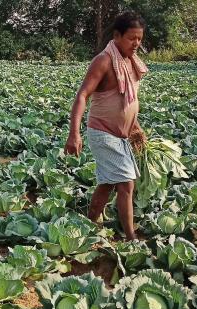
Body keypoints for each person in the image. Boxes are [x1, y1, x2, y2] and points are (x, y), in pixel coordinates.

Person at [64, 11, 148, 240]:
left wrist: (135, 126)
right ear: (117, 35)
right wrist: (74, 133)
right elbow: (82, 95)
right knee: (126, 184)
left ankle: (90, 223)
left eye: (140, 39)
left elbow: (127, 101)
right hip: (103, 133)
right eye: (132, 38)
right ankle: (131, 237)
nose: (137, 44)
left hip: (121, 136)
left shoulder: (130, 63)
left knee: (107, 183)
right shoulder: (104, 60)